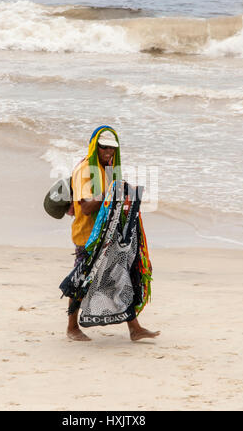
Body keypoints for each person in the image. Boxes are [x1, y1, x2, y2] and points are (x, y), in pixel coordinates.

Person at [66, 125, 160, 342]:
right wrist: (111, 192)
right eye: (104, 148)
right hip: (87, 236)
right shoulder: (86, 170)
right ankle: (71, 328)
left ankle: (134, 328)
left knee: (120, 276)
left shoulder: (108, 169)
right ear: (95, 147)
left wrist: (122, 190)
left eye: (112, 149)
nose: (108, 153)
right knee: (81, 280)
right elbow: (87, 207)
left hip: (108, 236)